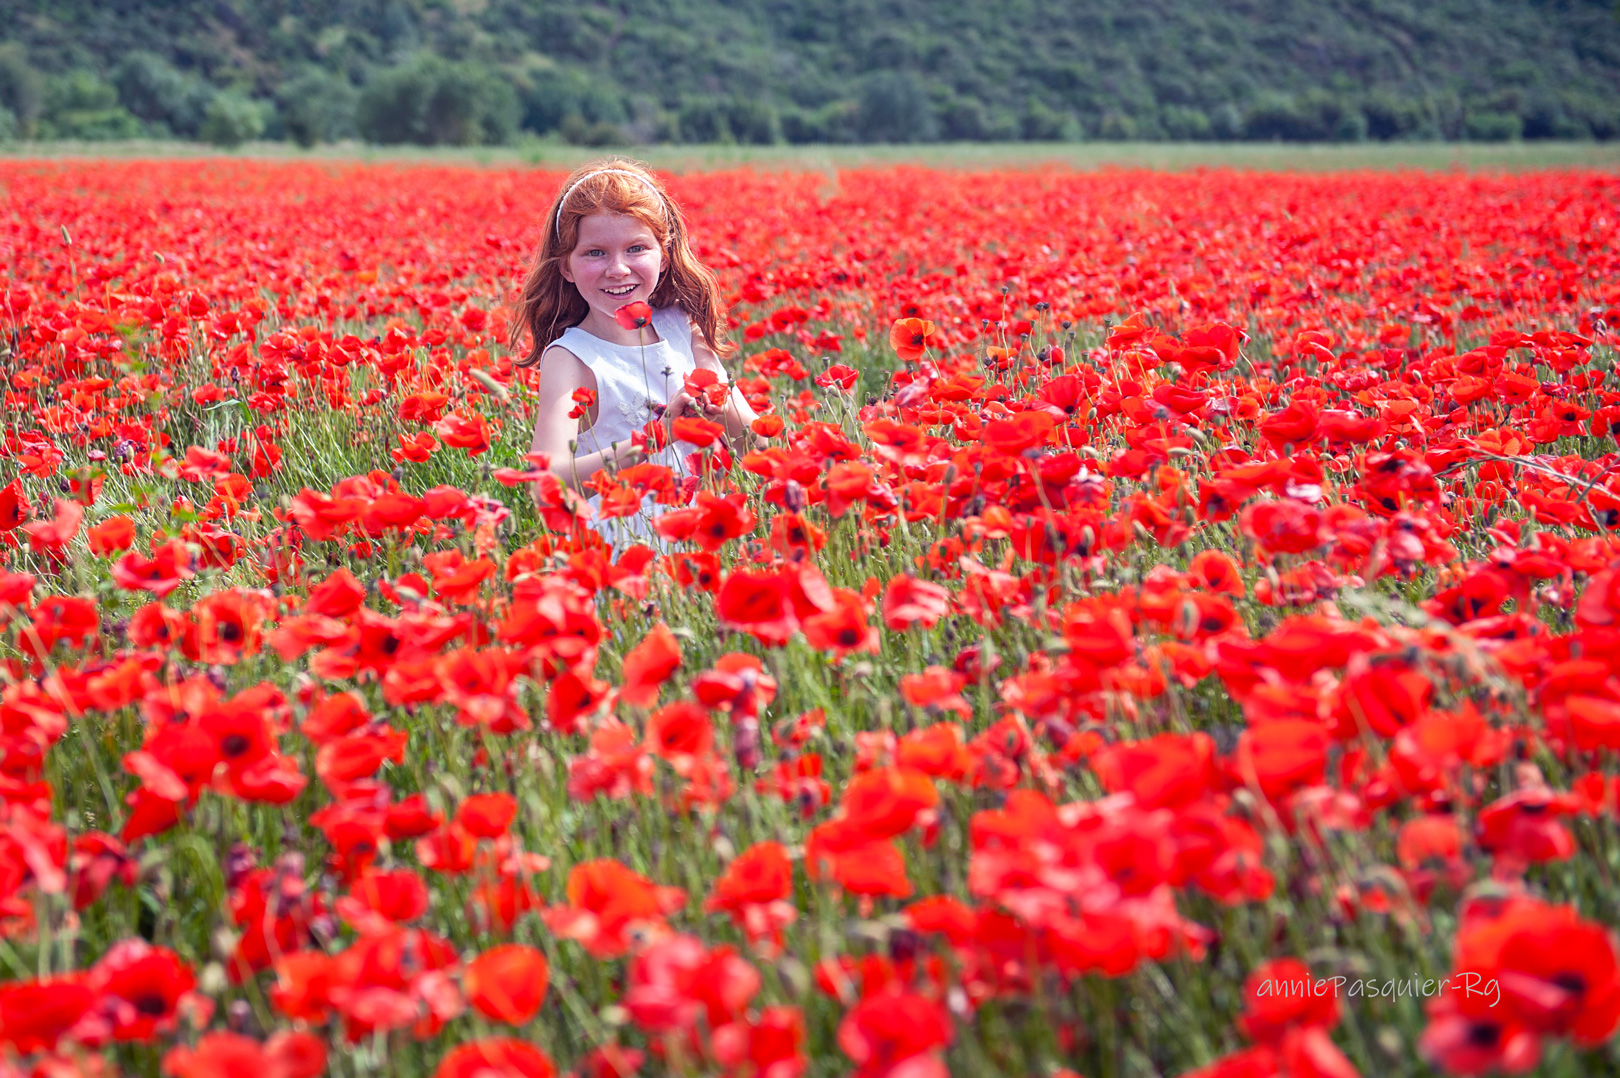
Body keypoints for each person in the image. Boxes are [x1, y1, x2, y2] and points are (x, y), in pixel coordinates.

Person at [510, 158, 759, 550]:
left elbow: (758, 448)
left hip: (707, 548)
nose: (618, 268)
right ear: (566, 268)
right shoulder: (572, 357)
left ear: (664, 254)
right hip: (627, 560)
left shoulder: (682, 327)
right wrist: (659, 435)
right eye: (595, 253)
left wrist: (713, 390)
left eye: (636, 248)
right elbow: (546, 485)